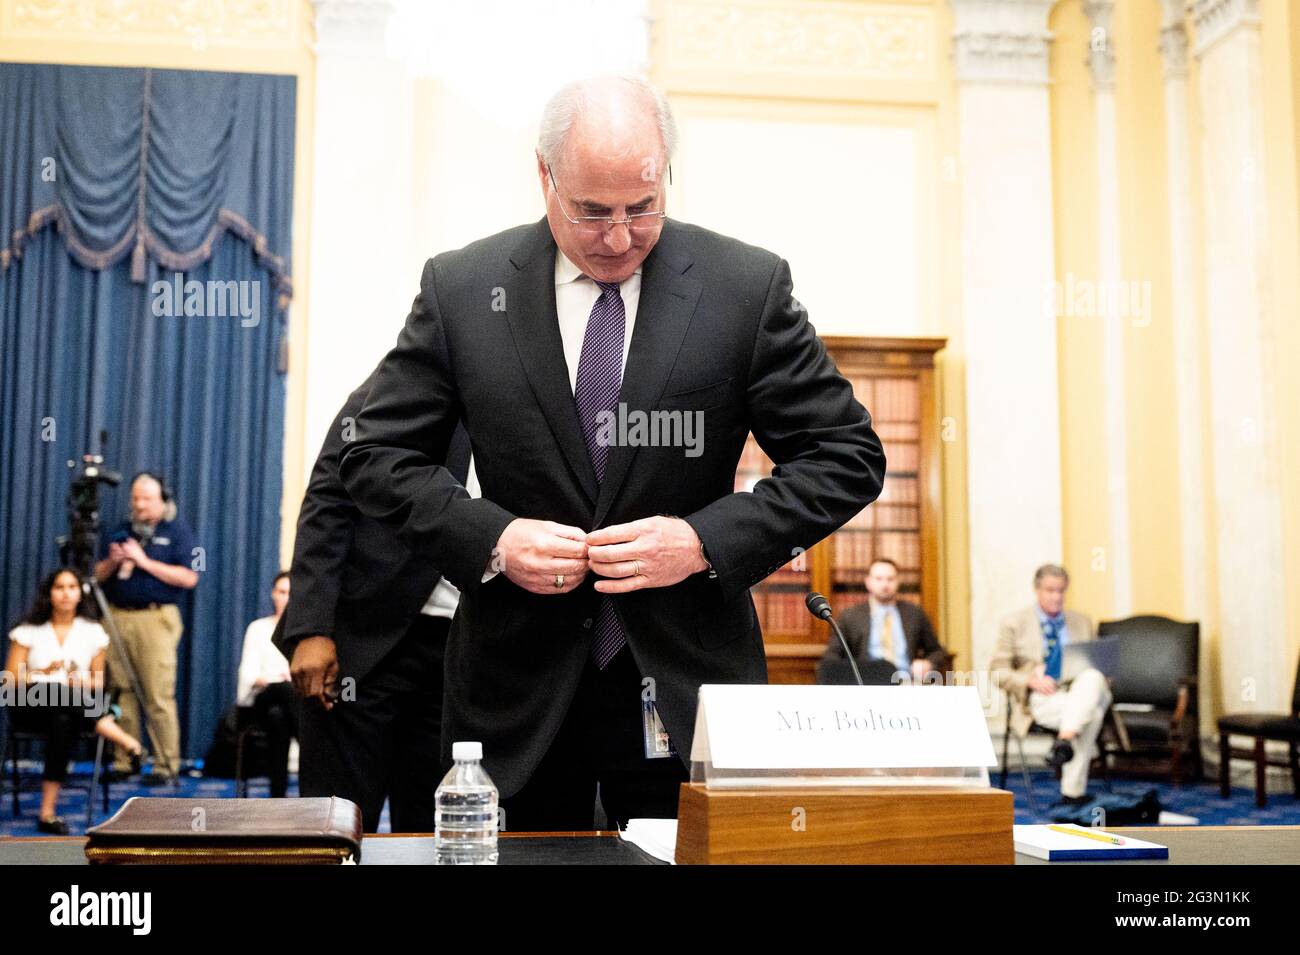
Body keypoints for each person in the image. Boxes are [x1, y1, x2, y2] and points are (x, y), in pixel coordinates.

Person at [338, 76, 886, 830]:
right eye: (593, 211)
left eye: (643, 207)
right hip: (512, 701)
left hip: (688, 693)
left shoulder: (744, 287)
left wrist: (703, 541)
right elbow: (372, 456)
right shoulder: (463, 289)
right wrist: (491, 538)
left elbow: (847, 454)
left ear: (666, 172)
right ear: (545, 177)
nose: (621, 237)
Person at [272, 368, 472, 831]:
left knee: (434, 831)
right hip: (361, 642)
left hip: (463, 650)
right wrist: (312, 628)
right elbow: (328, 499)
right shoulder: (410, 375)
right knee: (336, 824)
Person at [2, 569, 144, 834]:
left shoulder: (93, 632)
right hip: (30, 704)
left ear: (80, 593)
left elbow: (98, 683)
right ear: (49, 593)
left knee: (63, 718)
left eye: (72, 587)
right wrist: (41, 674)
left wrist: (75, 682)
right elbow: (8, 682)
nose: (66, 593)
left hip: (73, 710)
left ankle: (47, 812)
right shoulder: (28, 630)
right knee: (55, 690)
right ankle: (123, 738)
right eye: (59, 587)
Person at [93, 471, 198, 783]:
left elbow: (190, 577)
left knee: (157, 693)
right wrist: (112, 562)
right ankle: (127, 760)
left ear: (163, 501)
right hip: (116, 617)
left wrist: (143, 561)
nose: (139, 505)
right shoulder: (121, 531)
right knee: (119, 692)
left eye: (147, 499)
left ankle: (167, 765)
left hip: (155, 619)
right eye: (135, 498)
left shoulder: (177, 532)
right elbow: (96, 576)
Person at [991, 564, 1111, 805]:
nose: (1056, 597)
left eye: (1061, 591)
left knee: (1093, 678)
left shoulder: (1082, 622)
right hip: (1042, 698)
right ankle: (1072, 793)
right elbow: (998, 672)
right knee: (1094, 714)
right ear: (1037, 590)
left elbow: (1101, 669)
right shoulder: (1014, 622)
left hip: (1079, 690)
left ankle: (1064, 740)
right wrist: (1030, 681)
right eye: (1050, 590)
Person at [821, 558, 949, 681]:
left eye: (890, 579)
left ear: (898, 581)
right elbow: (832, 656)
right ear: (868, 582)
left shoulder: (915, 613)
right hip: (866, 683)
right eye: (879, 579)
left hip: (907, 682)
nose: (885, 584)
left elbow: (936, 651)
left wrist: (928, 663)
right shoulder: (849, 616)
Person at [235, 571, 296, 798]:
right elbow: (249, 675)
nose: (286, 598)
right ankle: (312, 747)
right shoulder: (258, 628)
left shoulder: (305, 634)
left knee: (278, 716)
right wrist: (276, 680)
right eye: (281, 592)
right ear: (273, 595)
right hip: (260, 698)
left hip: (287, 705)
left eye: (291, 593)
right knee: (282, 689)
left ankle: (277, 792)